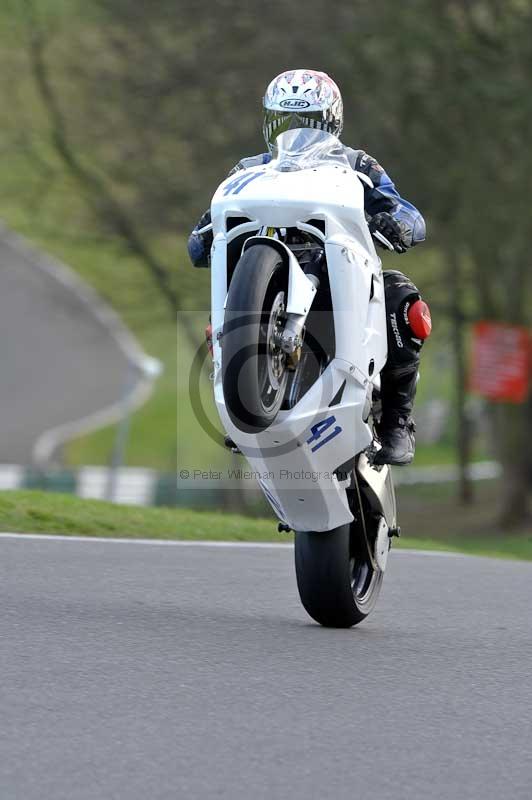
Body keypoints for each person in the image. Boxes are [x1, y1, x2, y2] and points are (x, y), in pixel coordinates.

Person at [188, 69, 432, 465]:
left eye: (309, 123)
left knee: (402, 299)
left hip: (340, 277)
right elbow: (201, 237)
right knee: (220, 314)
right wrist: (204, 233)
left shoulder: (358, 165)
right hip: (269, 280)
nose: (297, 133)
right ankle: (243, 397)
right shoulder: (249, 171)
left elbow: (408, 214)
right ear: (269, 122)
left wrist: (397, 223)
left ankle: (397, 421)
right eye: (285, 121)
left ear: (331, 123)